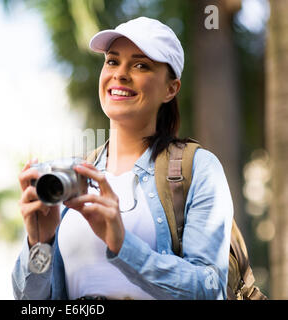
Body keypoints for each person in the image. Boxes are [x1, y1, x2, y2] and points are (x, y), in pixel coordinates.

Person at [12, 16, 233, 300]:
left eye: (141, 65)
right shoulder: (70, 177)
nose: (121, 73)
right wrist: (39, 244)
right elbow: (30, 302)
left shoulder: (199, 168)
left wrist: (123, 245)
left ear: (171, 89)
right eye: (113, 61)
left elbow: (211, 290)